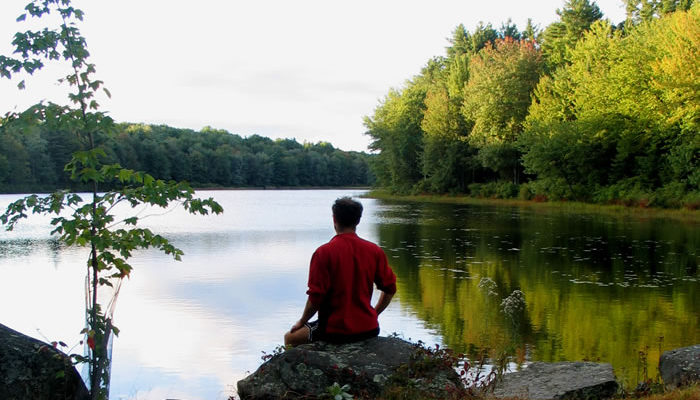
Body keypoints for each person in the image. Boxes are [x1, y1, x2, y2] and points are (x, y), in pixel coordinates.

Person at [284, 197, 396, 346]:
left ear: (334, 219)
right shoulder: (374, 251)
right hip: (369, 328)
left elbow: (316, 297)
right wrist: (374, 314)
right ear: (358, 221)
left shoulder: (323, 253)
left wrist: (302, 321)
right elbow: (390, 288)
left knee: (290, 337)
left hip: (334, 331)